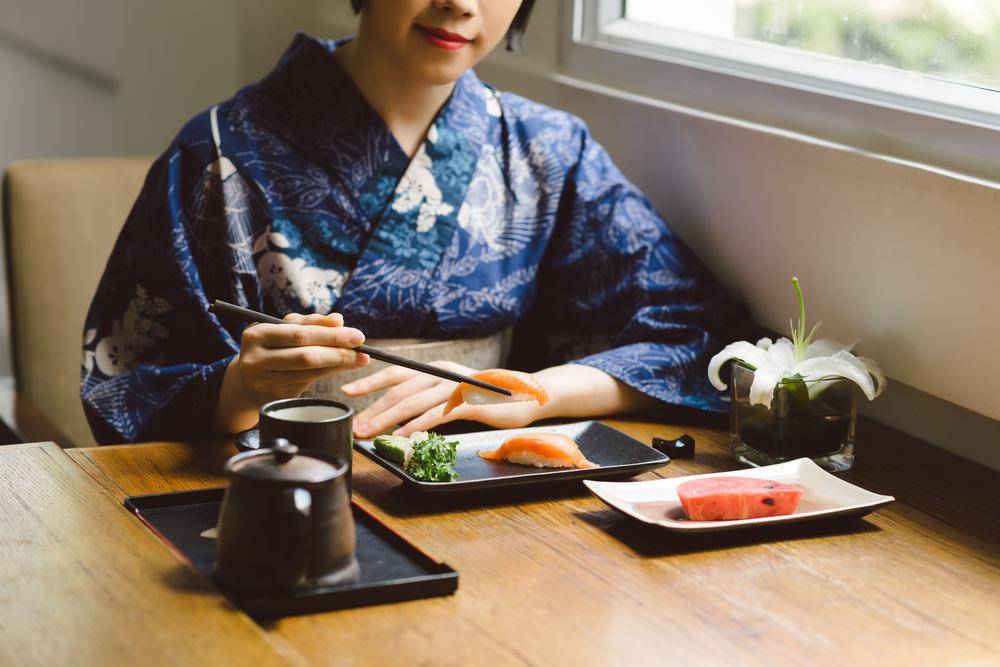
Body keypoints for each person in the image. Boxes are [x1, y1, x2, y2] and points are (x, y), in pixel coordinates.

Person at [80, 0, 753, 445]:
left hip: (489, 505)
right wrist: (238, 386)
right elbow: (122, 382)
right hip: (272, 502)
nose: (461, 2)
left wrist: (535, 391)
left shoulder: (548, 153)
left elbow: (704, 338)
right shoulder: (219, 153)